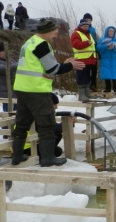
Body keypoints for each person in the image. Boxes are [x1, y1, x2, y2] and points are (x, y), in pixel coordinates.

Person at [11, 18, 85, 167]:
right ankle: (47, 159)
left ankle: (17, 156)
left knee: (22, 124)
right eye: (55, 33)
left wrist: (65, 64)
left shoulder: (30, 42)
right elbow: (53, 69)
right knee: (47, 124)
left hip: (22, 88)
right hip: (36, 90)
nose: (56, 36)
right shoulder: (42, 45)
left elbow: (42, 66)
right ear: (47, 32)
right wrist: (71, 66)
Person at [22, 93, 73, 159]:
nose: (56, 107)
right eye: (55, 104)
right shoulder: (38, 115)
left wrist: (68, 122)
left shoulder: (38, 112)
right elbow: (52, 130)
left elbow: (54, 127)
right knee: (57, 149)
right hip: (27, 148)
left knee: (57, 139)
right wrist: (65, 124)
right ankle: (44, 157)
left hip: (31, 144)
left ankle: (46, 155)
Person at [70, 19, 97, 101]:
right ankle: (82, 95)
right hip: (81, 59)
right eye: (84, 26)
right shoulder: (76, 34)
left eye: (87, 26)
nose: (86, 28)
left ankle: (87, 93)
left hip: (89, 59)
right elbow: (75, 45)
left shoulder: (89, 34)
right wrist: (86, 43)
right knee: (81, 77)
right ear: (80, 26)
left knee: (87, 77)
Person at [96, 26, 116, 93]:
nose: (111, 32)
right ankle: (108, 88)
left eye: (113, 31)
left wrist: (114, 48)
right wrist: (106, 46)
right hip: (106, 59)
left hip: (114, 60)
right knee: (106, 73)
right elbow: (98, 48)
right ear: (107, 32)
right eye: (110, 31)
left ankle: (115, 88)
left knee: (115, 73)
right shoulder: (102, 40)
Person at [82, 13, 99, 91]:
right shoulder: (82, 29)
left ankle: (94, 85)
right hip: (85, 53)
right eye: (87, 20)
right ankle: (87, 86)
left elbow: (95, 40)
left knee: (94, 69)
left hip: (93, 51)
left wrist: (97, 51)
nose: (88, 21)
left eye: (90, 20)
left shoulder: (93, 29)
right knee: (86, 70)